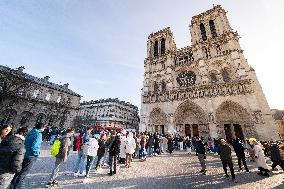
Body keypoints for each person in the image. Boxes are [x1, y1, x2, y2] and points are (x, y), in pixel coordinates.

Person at [9, 123, 45, 189]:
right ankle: (17, 187)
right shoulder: (39, 134)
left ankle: (12, 186)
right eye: (44, 127)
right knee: (23, 173)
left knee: (19, 171)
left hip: (24, 153)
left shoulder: (31, 131)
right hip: (31, 155)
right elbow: (35, 146)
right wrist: (36, 154)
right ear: (41, 128)